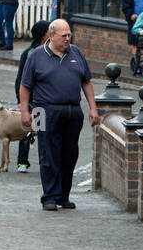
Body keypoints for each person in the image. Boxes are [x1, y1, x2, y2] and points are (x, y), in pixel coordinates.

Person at [19, 19, 98, 211]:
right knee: (48, 152)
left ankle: (64, 195)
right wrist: (24, 111)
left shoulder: (76, 53)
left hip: (72, 109)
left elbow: (86, 82)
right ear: (52, 35)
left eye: (69, 34)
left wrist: (93, 108)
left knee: (69, 153)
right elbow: (25, 85)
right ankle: (49, 196)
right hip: (43, 109)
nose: (67, 38)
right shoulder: (36, 56)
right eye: (64, 35)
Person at [13, 20, 49, 172]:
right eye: (49, 31)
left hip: (43, 99)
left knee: (42, 131)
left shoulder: (51, 52)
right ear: (43, 34)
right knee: (26, 131)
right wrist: (20, 101)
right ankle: (22, 162)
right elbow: (20, 79)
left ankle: (44, 162)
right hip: (31, 99)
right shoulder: (28, 54)